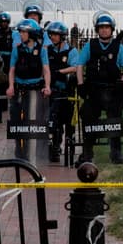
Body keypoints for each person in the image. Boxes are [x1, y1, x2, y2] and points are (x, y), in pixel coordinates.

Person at [70, 12, 123, 166]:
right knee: (89, 120)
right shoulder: (89, 46)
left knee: (115, 121)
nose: (104, 30)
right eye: (101, 27)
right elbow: (79, 66)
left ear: (112, 29)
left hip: (113, 90)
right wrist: (80, 84)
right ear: (97, 29)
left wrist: (122, 82)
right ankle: (87, 154)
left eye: (107, 27)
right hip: (94, 90)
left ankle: (116, 153)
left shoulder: (119, 47)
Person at [6, 17, 51, 161]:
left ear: (31, 34)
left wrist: (47, 86)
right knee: (16, 120)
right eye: (20, 32)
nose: (21, 34)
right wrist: (11, 86)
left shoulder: (41, 50)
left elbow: (46, 70)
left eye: (24, 32)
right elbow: (12, 69)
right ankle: (19, 149)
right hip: (19, 88)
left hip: (35, 89)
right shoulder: (17, 49)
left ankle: (33, 151)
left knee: (33, 120)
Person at [44, 21, 75, 164]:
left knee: (68, 120)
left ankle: (69, 143)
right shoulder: (47, 50)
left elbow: (75, 67)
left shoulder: (71, 51)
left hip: (66, 90)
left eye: (55, 35)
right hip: (52, 91)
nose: (52, 37)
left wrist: (60, 72)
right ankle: (55, 147)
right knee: (53, 120)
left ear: (62, 36)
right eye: (51, 34)